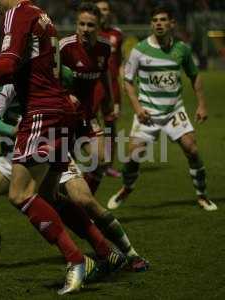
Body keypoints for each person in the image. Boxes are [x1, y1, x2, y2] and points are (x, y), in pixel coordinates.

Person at [0, 0, 96, 295]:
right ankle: (103, 253)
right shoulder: (41, 14)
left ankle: (78, 260)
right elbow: (9, 78)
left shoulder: (17, 13)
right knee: (30, 195)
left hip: (40, 116)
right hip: (47, 118)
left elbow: (6, 64)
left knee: (22, 195)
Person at [0, 84, 148, 273]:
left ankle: (130, 254)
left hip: (53, 152)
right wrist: (14, 131)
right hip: (15, 155)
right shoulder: (9, 85)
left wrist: (87, 138)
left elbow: (75, 104)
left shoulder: (56, 80)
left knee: (84, 199)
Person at [107, 5, 218, 212]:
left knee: (192, 149)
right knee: (133, 156)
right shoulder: (139, 50)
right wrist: (138, 108)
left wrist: (202, 104)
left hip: (174, 111)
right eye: (155, 20)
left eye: (163, 20)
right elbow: (128, 81)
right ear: (151, 24)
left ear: (172, 23)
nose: (158, 23)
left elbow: (194, 76)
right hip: (147, 112)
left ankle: (202, 195)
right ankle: (126, 188)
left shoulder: (182, 49)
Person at [59, 1, 117, 195]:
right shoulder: (65, 48)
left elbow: (103, 73)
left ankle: (84, 206)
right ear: (76, 24)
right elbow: (47, 77)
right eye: (81, 24)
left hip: (86, 115)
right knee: (54, 173)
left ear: (99, 26)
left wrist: (109, 100)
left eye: (90, 25)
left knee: (101, 160)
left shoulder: (104, 47)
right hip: (61, 117)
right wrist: (66, 96)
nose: (85, 29)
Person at [94, 0, 123, 178]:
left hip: (111, 86)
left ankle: (108, 165)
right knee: (85, 123)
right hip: (92, 85)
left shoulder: (117, 34)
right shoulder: (90, 31)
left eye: (105, 9)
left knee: (111, 125)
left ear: (109, 12)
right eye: (99, 10)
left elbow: (120, 60)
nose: (102, 12)